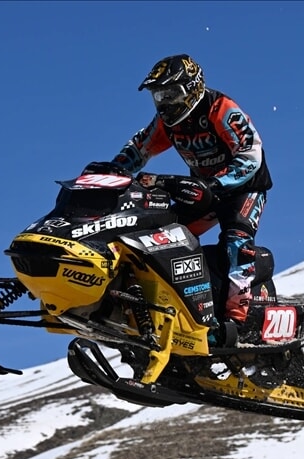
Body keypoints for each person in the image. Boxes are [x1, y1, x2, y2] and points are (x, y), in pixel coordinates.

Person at [110, 54, 273, 344]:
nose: (165, 101)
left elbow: (251, 154)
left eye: (171, 92)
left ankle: (236, 323)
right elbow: (140, 148)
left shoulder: (221, 109)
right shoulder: (167, 122)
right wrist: (114, 171)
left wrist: (215, 182)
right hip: (204, 190)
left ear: (192, 87)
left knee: (237, 240)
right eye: (159, 94)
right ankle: (177, 308)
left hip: (243, 188)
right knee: (164, 237)